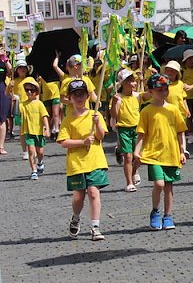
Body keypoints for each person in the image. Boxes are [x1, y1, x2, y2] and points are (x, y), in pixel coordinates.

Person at [134, 73, 188, 231]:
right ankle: (156, 211)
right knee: (159, 183)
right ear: (151, 91)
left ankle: (168, 215)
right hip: (153, 154)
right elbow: (142, 134)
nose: (163, 92)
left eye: (166, 89)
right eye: (159, 90)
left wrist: (182, 151)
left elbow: (180, 132)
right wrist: (137, 151)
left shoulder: (173, 109)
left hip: (171, 154)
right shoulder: (146, 111)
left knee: (168, 186)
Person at [57, 79, 109, 241]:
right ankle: (76, 217)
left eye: (82, 94)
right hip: (76, 164)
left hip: (95, 161)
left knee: (93, 192)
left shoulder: (95, 114)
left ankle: (95, 227)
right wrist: (82, 142)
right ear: (70, 98)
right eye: (75, 95)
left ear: (87, 96)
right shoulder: (68, 119)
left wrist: (97, 124)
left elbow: (101, 136)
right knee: (78, 197)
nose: (79, 98)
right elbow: (63, 142)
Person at [110, 69, 142, 192]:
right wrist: (114, 103)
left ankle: (133, 172)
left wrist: (143, 80)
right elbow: (114, 115)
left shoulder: (137, 95)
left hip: (137, 129)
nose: (134, 83)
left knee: (138, 156)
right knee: (128, 157)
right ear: (123, 83)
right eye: (131, 81)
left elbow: (150, 94)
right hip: (123, 129)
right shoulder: (118, 98)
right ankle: (129, 183)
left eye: (134, 81)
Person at [19, 77, 49, 179]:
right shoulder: (22, 104)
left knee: (40, 152)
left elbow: (44, 116)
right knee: (31, 151)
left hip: (39, 131)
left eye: (32, 90)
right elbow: (16, 111)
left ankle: (40, 162)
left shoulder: (39, 104)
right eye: (27, 90)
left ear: (36, 92)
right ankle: (34, 170)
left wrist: (47, 128)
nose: (29, 92)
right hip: (28, 131)